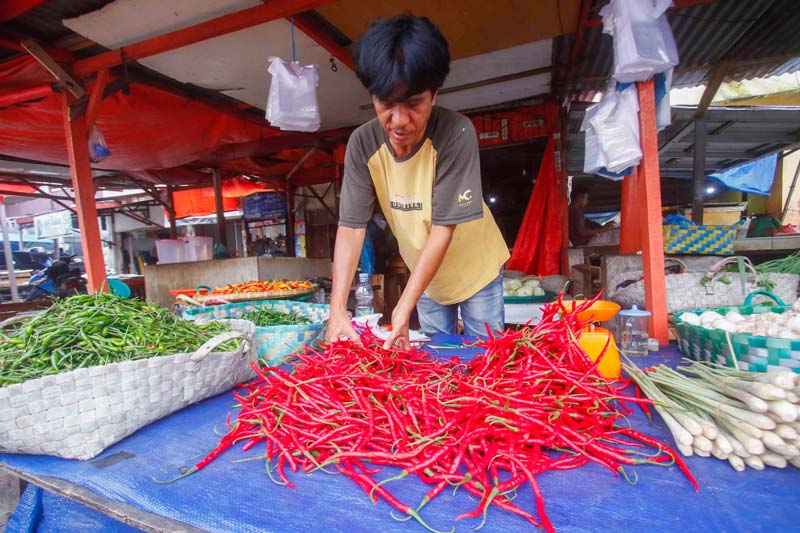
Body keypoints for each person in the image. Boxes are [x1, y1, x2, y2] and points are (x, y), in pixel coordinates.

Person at [327, 14, 509, 350]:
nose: (398, 121)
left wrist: (403, 307)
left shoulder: (456, 133)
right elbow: (351, 228)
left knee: (486, 361)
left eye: (413, 104)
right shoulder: (362, 145)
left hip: (476, 272)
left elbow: (443, 228)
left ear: (434, 95)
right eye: (386, 103)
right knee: (437, 363)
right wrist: (336, 309)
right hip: (425, 278)